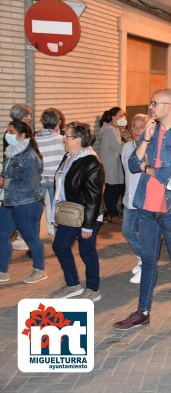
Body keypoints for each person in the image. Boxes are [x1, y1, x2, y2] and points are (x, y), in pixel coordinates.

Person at [114, 88, 171, 329]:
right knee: (148, 258)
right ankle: (143, 311)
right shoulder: (150, 132)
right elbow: (133, 164)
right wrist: (146, 139)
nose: (150, 107)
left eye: (154, 103)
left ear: (170, 107)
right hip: (146, 205)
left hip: (170, 207)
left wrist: (147, 169)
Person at [51, 122, 105, 300]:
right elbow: (60, 186)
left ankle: (93, 289)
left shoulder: (91, 162)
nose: (63, 140)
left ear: (78, 140)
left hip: (86, 216)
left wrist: (88, 226)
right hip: (69, 213)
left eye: (66, 136)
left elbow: (94, 197)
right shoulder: (69, 156)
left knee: (86, 251)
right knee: (59, 246)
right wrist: (56, 213)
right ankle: (73, 285)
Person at [0, 121, 45, 284]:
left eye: (11, 132)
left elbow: (28, 185)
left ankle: (39, 269)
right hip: (9, 201)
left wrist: (4, 182)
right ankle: (2, 271)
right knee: (1, 235)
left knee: (31, 237)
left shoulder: (30, 156)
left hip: (27, 203)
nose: (7, 135)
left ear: (22, 136)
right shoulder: (11, 152)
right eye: (7, 132)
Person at [121, 114, 147, 284]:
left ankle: (146, 264)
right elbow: (128, 174)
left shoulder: (150, 149)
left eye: (141, 127)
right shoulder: (126, 147)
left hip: (144, 201)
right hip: (129, 199)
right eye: (134, 127)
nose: (137, 130)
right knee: (128, 231)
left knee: (144, 235)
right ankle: (143, 258)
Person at [35, 108, 65, 237]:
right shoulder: (61, 139)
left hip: (38, 180)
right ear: (58, 122)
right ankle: (58, 241)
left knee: (35, 212)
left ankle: (33, 241)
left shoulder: (33, 139)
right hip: (55, 181)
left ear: (42, 121)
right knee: (56, 211)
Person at [8, 104, 34, 252]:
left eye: (30, 115)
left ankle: (25, 238)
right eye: (27, 114)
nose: (30, 117)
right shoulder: (14, 132)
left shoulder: (25, 130)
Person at [96, 107, 126, 223]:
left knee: (115, 188)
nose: (122, 118)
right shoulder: (109, 131)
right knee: (112, 190)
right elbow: (119, 148)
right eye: (120, 116)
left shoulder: (114, 129)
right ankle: (112, 214)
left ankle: (112, 213)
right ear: (113, 117)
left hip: (114, 163)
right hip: (110, 164)